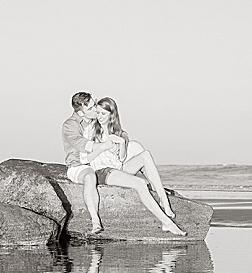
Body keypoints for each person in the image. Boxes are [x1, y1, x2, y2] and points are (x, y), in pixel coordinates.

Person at [88, 97, 185, 236]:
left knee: (145, 154)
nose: (99, 117)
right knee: (139, 183)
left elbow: (121, 158)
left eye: (103, 114)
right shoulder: (92, 131)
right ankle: (166, 222)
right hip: (102, 171)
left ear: (111, 115)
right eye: (98, 113)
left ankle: (163, 199)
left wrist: (121, 142)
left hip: (117, 167)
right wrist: (104, 146)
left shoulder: (119, 133)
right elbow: (87, 155)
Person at [61, 91, 120, 235]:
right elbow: (82, 144)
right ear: (81, 113)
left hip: (98, 161)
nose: (95, 110)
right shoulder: (69, 125)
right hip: (79, 165)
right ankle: (95, 221)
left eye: (94, 104)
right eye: (90, 109)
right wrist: (104, 146)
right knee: (90, 177)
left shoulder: (97, 119)